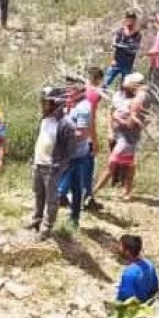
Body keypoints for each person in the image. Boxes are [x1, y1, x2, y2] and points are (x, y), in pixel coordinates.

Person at [26, 87, 76, 239]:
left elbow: (70, 151)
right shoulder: (45, 119)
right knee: (39, 194)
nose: (43, 105)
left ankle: (47, 227)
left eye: (46, 102)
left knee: (51, 199)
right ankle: (36, 220)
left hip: (52, 167)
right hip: (39, 163)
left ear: (56, 103)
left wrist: (59, 166)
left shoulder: (66, 124)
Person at [94, 73, 145, 202]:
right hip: (122, 137)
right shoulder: (123, 97)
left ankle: (94, 191)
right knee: (129, 164)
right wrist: (112, 127)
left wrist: (117, 119)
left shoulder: (136, 102)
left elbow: (131, 124)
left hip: (127, 140)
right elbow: (112, 111)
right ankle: (127, 191)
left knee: (112, 164)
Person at [59, 82, 96, 226]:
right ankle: (72, 216)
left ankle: (73, 218)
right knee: (73, 186)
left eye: (71, 90)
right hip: (69, 153)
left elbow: (82, 133)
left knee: (72, 186)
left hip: (76, 153)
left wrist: (61, 136)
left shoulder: (83, 109)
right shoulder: (76, 105)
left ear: (80, 91)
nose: (68, 93)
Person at [116, 235, 159, 303]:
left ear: (127, 251)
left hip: (134, 307)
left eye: (121, 246)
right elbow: (155, 288)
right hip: (146, 304)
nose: (118, 248)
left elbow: (125, 298)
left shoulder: (129, 273)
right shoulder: (149, 264)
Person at [105, 11, 141, 89]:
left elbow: (135, 49)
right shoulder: (120, 31)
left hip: (128, 64)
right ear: (125, 19)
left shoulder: (137, 35)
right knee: (106, 81)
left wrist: (124, 47)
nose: (130, 21)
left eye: (132, 20)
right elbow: (114, 45)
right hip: (117, 62)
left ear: (134, 21)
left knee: (125, 86)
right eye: (128, 19)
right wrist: (113, 59)